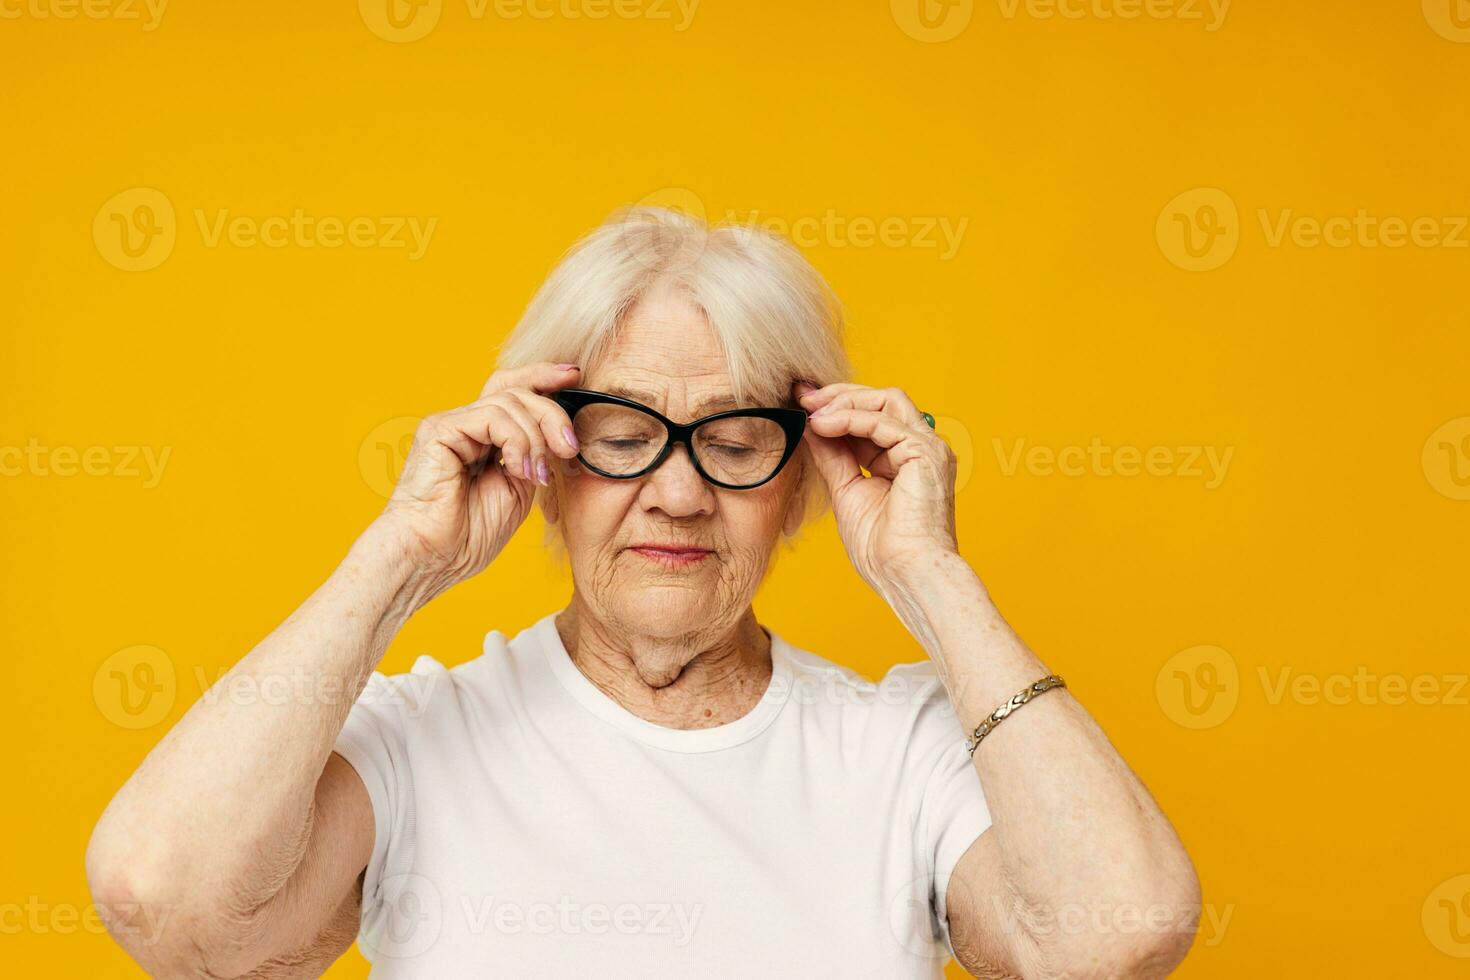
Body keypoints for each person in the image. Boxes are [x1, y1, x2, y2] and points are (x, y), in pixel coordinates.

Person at [86, 206, 1201, 978]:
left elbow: (1121, 935)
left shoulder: (898, 749)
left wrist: (931, 573)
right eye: (621, 437)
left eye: (733, 438)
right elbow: (159, 896)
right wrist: (399, 555)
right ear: (547, 467)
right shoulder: (420, 737)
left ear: (799, 475)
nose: (676, 491)